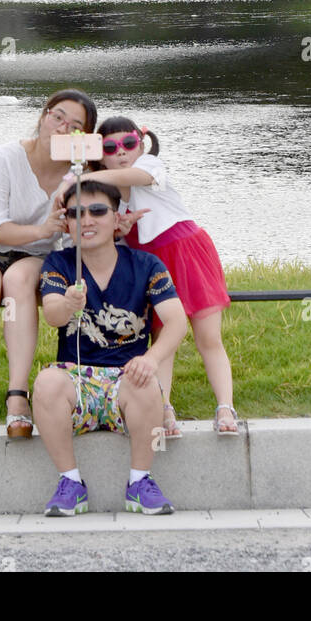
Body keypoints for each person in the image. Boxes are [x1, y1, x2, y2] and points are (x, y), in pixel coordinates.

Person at [33, 178, 187, 516]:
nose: (87, 220)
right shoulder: (59, 265)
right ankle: (71, 483)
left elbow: (177, 322)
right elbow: (53, 317)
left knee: (147, 382)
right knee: (46, 382)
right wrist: (70, 303)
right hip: (78, 381)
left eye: (98, 211)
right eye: (76, 214)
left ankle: (140, 483)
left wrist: (151, 358)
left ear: (117, 219)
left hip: (127, 380)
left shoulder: (147, 266)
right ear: (68, 224)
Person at [0, 88, 97, 440]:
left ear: (85, 136)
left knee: (17, 282)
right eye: (57, 116)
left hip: (32, 258)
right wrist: (43, 228)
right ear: (43, 117)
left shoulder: (80, 172)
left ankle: (18, 394)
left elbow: (80, 230)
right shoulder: (4, 159)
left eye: (76, 126)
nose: (63, 128)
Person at [85, 115, 237, 437]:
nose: (122, 152)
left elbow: (136, 175)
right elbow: (110, 240)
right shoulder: (104, 195)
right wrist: (119, 229)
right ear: (100, 153)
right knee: (161, 340)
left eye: (129, 143)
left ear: (141, 143)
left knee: (208, 337)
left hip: (186, 252)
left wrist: (88, 177)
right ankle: (164, 408)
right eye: (110, 147)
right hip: (151, 267)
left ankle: (225, 406)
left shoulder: (151, 165)